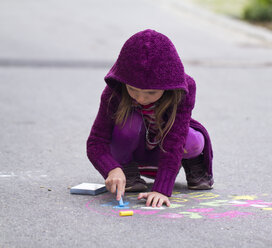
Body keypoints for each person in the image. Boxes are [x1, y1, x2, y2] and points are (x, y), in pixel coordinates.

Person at [87, 29, 213, 208]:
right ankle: (127, 170)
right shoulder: (115, 91)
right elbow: (96, 141)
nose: (140, 98)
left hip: (166, 147)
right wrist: (112, 168)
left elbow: (175, 141)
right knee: (128, 123)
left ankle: (193, 164)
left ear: (167, 86)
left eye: (151, 92)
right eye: (132, 89)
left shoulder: (184, 89)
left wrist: (161, 189)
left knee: (192, 140)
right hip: (135, 148)